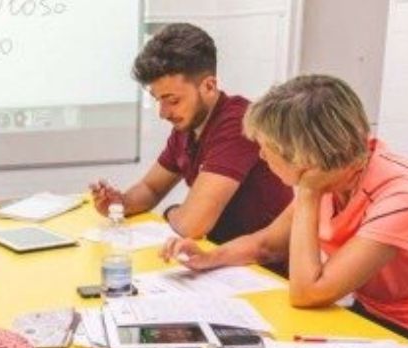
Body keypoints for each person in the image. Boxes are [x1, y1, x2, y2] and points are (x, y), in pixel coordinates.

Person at [162, 75, 408, 348]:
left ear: (305, 156)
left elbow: (308, 292)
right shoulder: (332, 176)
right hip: (368, 316)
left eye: (268, 148)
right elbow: (267, 244)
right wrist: (210, 257)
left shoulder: (405, 195)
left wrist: (308, 193)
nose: (262, 156)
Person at [90, 23, 292, 246]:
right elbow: (151, 188)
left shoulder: (239, 124)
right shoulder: (188, 125)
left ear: (209, 86)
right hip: (217, 255)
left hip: (260, 262)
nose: (163, 113)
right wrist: (120, 204)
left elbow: (191, 225)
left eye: (173, 100)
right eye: (158, 100)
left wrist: (170, 211)